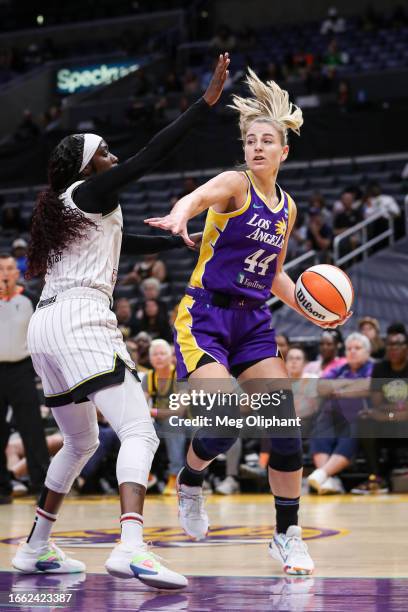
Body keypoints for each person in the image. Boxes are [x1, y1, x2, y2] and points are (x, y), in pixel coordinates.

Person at [11, 53, 230, 589]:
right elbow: (153, 154)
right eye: (105, 152)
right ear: (88, 167)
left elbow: (120, 243)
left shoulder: (74, 208)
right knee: (138, 430)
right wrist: (202, 107)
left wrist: (181, 238)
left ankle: (36, 548)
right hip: (83, 320)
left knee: (81, 444)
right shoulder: (89, 191)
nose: (114, 156)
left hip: (47, 326)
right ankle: (131, 546)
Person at [146, 68, 350, 575]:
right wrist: (180, 215)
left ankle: (287, 534)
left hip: (254, 321)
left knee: (284, 427)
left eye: (267, 141)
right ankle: (191, 480)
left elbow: (276, 273)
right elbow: (197, 197)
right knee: (227, 417)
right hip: (206, 315)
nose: (257, 148)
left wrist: (311, 309)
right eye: (251, 140)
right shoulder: (235, 184)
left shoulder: (288, 208)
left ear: (284, 151)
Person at [0, 254, 49, 504]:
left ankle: (40, 483)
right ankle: (2, 487)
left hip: (22, 369)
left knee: (32, 428)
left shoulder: (30, 299)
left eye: (9, 268)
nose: (5, 273)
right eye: (1, 269)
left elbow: (42, 333)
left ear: (16, 273)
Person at [308, 333, 373, 494]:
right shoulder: (340, 368)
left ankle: (322, 474)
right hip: (332, 415)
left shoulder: (372, 367)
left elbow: (367, 387)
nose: (352, 351)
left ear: (367, 352)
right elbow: (321, 387)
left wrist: (339, 390)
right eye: (349, 348)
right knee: (320, 427)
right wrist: (350, 385)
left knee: (352, 429)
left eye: (357, 348)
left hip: (358, 415)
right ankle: (328, 480)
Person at [351, 327, 408, 494]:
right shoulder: (380, 369)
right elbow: (377, 405)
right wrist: (397, 410)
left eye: (397, 344)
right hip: (391, 423)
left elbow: (383, 407)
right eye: (389, 344)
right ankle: (376, 478)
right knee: (364, 419)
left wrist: (388, 412)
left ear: (406, 346)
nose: (392, 349)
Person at [142, 339, 185, 495]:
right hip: (159, 425)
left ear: (170, 356)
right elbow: (140, 406)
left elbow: (179, 411)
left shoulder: (180, 374)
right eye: (155, 354)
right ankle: (146, 475)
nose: (158, 357)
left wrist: (151, 412)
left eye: (162, 353)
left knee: (172, 423)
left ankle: (175, 477)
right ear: (150, 358)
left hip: (186, 423)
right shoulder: (148, 377)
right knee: (137, 429)